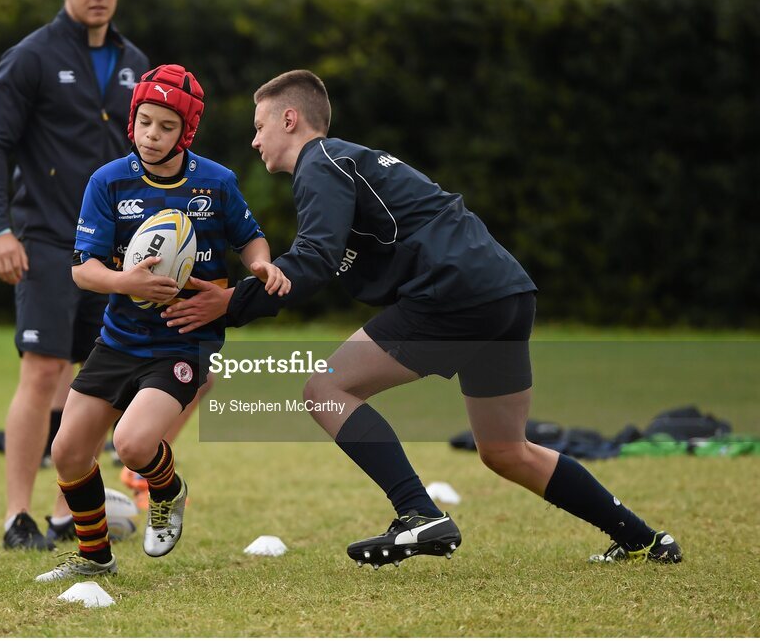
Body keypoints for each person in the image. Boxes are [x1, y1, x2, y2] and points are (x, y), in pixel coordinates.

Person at [162, 69, 682, 568]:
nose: (255, 142)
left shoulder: (320, 162)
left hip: (451, 293)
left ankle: (419, 512)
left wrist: (231, 303)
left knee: (325, 390)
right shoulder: (350, 161)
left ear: (290, 119)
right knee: (505, 449)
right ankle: (643, 540)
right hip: (505, 291)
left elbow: (314, 260)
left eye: (259, 127)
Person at [35, 64, 289, 581]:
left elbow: (250, 239)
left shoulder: (217, 183)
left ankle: (167, 490)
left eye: (165, 126)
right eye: (144, 122)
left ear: (186, 131)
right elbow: (84, 270)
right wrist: (125, 282)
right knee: (67, 451)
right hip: (119, 340)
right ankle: (94, 557)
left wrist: (260, 265)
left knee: (132, 444)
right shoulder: (108, 182)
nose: (151, 135)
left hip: (183, 342)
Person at [0, 0, 151, 551]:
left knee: (96, 380)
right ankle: (16, 516)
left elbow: (150, 155)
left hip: (115, 252)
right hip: (45, 239)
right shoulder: (30, 58)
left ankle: (60, 512)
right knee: (43, 370)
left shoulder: (136, 63)